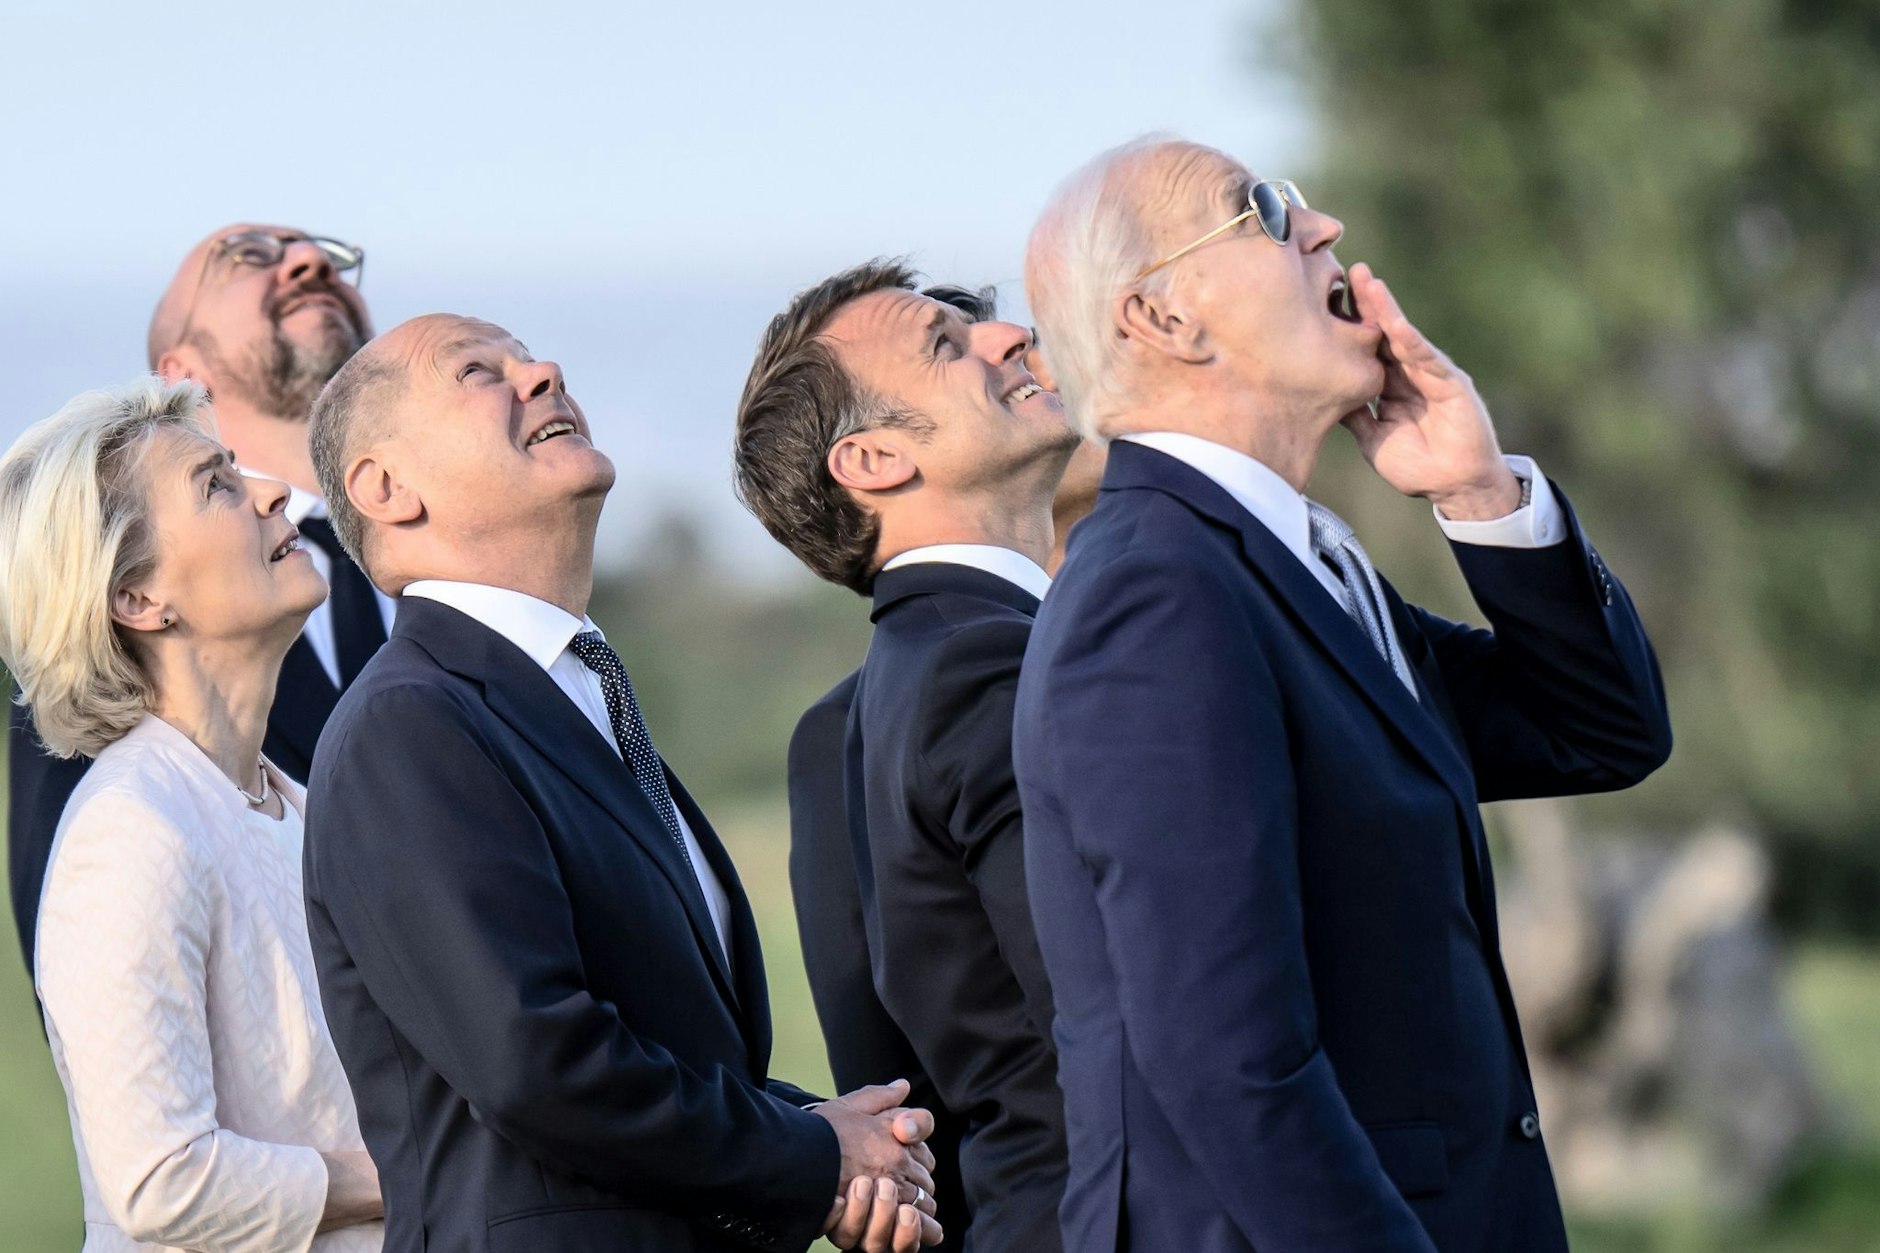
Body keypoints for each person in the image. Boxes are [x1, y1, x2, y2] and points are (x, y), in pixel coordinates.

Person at [1015, 137, 1674, 1252]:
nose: (1323, 230)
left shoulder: (1286, 568)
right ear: (1163, 320)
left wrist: (1478, 488)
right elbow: (1227, 1058)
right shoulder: (1157, 597)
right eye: (1264, 211)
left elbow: (1595, 728)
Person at [303, 313, 942, 1253]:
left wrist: (843, 1135)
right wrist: (813, 1155)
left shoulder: (574, 694)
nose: (544, 372)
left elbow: (667, 1044)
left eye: (531, 357)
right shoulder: (409, 725)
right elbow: (540, 1062)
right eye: (480, 372)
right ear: (387, 489)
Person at [735, 261, 1081, 1251]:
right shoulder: (1003, 667)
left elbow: (896, 1101)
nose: (1008, 336)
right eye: (945, 343)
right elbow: (1130, 1021)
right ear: (873, 460)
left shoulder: (838, 727)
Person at [0, 377, 384, 1250]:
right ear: (136, 598)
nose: (273, 491)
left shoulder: (295, 803)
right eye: (218, 483)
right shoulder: (129, 833)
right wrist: (400, 1171)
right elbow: (160, 1177)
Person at [7, 224, 388, 977]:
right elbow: (96, 977)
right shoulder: (108, 651)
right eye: (247, 259)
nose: (312, 262)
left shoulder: (449, 555)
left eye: (331, 258)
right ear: (180, 372)